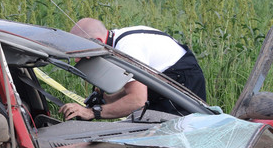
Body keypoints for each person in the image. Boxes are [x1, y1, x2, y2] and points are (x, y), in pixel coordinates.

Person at [59, 17, 206, 120]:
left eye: (80, 50)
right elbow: (136, 89)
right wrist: (108, 99)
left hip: (182, 80)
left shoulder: (126, 49)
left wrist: (91, 112)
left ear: (97, 41)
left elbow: (137, 100)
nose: (77, 59)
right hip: (165, 80)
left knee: (170, 138)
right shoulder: (116, 41)